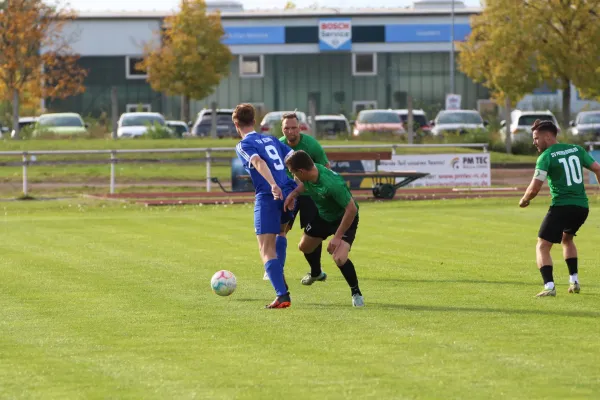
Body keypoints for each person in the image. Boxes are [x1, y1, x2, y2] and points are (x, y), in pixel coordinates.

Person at [519, 119, 600, 297]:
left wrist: (524, 200)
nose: (534, 142)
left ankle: (549, 286)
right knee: (567, 239)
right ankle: (574, 280)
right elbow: (598, 169)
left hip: (561, 206)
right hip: (582, 207)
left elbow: (535, 188)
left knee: (542, 246)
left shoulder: (546, 157)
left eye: (536, 138)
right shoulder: (577, 149)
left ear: (548, 137)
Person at [232, 103, 297, 309]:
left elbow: (258, 162)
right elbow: (295, 159)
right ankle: (279, 277)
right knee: (281, 233)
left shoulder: (243, 145)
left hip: (269, 195)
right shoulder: (271, 139)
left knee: (265, 248)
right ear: (254, 121)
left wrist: (273, 185)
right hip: (289, 192)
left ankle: (282, 294)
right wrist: (298, 189)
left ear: (236, 124)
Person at [284, 150, 364, 307]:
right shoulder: (309, 173)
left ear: (301, 171)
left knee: (339, 258)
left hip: (345, 218)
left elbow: (351, 209)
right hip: (324, 216)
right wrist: (292, 195)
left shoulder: (332, 184)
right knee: (305, 246)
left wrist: (337, 237)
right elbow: (304, 186)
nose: (293, 176)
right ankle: (316, 273)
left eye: (293, 172)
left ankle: (356, 292)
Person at [261, 111, 331, 285]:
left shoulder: (311, 145)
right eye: (287, 128)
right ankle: (275, 269)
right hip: (287, 194)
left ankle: (316, 271)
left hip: (309, 194)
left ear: (300, 128)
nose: (290, 131)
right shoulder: (277, 145)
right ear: (282, 129)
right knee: (279, 230)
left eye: (294, 128)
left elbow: (326, 168)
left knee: (311, 234)